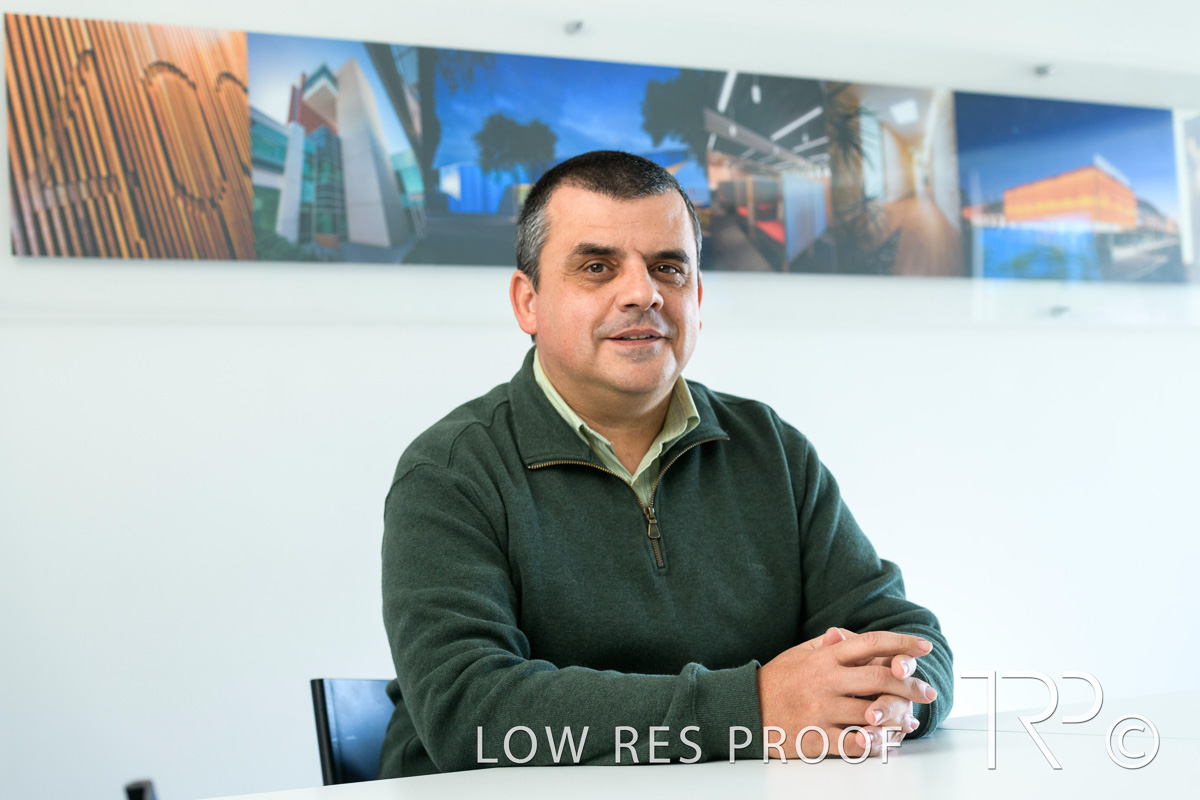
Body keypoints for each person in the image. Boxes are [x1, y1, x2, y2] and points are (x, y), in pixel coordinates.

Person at [378, 150, 952, 777]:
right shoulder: (451, 471)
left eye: (668, 268)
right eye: (597, 267)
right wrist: (754, 707)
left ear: (696, 297)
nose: (643, 293)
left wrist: (893, 699)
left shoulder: (770, 447)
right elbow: (470, 713)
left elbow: (907, 639)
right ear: (528, 302)